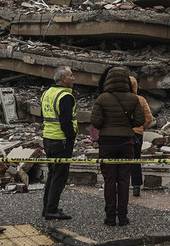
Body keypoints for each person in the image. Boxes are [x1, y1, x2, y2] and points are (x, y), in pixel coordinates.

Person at [90, 66, 144, 227]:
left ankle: (110, 217)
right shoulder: (133, 99)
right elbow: (140, 121)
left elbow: (95, 121)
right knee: (124, 179)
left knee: (109, 180)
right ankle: (123, 216)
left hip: (107, 143)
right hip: (126, 143)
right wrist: (127, 125)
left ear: (108, 80)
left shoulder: (102, 99)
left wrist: (107, 126)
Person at [41, 66, 77, 221]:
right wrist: (71, 137)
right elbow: (66, 122)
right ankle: (51, 209)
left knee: (52, 174)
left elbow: (44, 116)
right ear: (63, 79)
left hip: (48, 138)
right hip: (61, 140)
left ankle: (48, 207)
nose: (73, 78)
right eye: (71, 75)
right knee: (59, 176)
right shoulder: (65, 96)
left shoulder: (47, 93)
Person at [129, 75, 153, 198]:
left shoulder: (118, 99)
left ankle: (119, 185)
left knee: (120, 160)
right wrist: (142, 128)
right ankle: (136, 186)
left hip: (123, 133)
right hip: (137, 134)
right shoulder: (141, 100)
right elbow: (149, 118)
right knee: (135, 160)